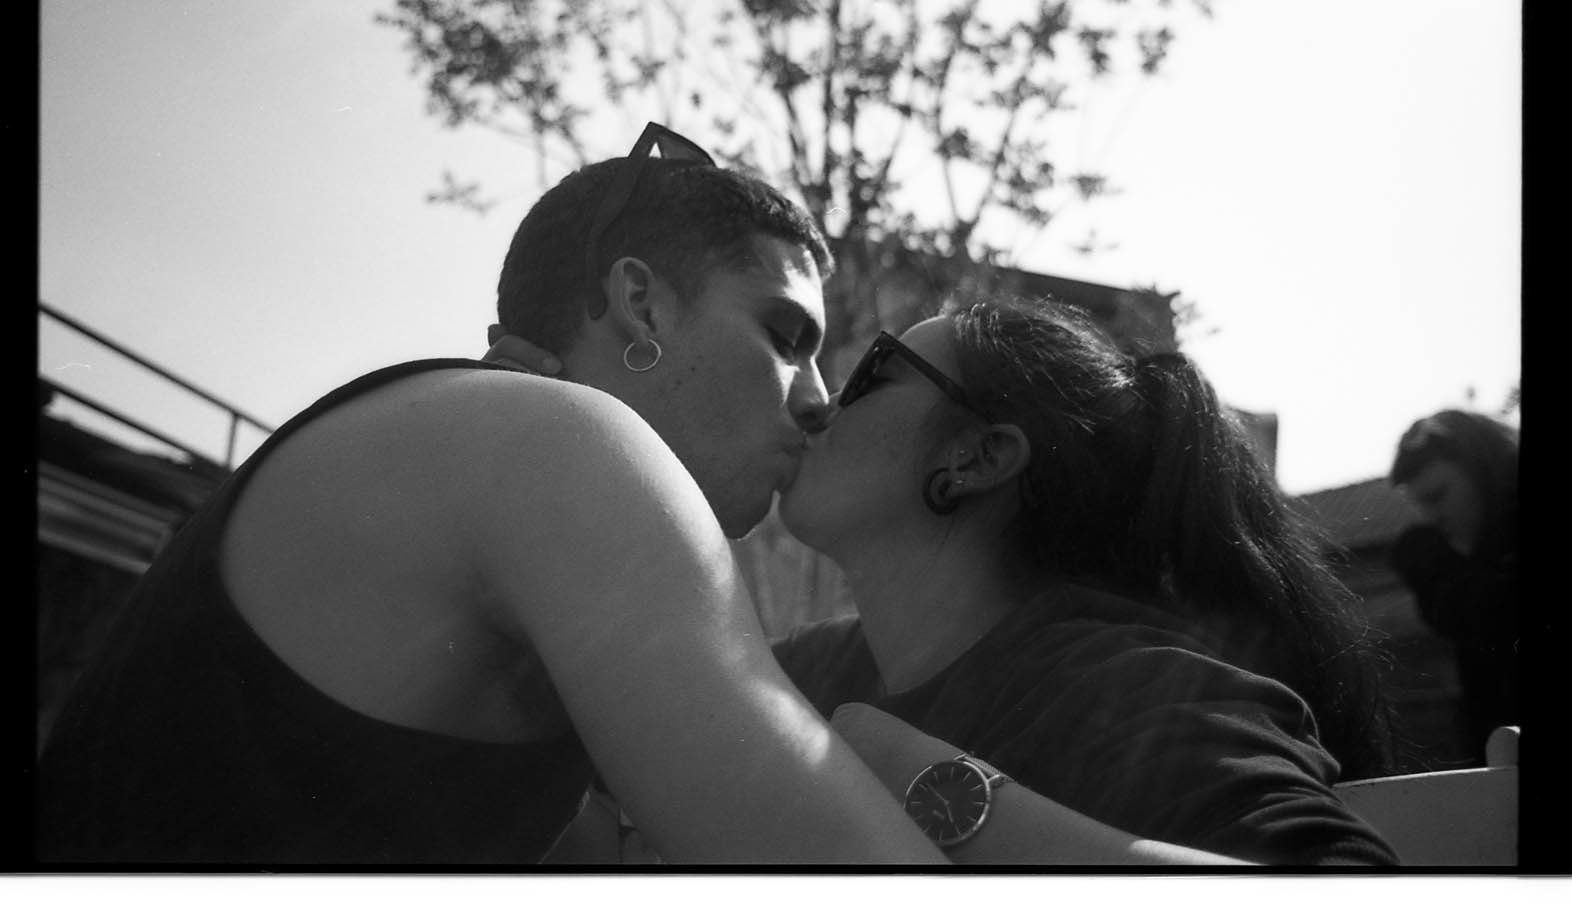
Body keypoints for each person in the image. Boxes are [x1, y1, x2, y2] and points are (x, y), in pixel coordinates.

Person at [33, 124, 1237, 868]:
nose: (819, 399)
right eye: (786, 336)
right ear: (640, 304)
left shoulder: (471, 489)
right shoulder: (560, 441)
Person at [491, 297, 1402, 866]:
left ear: (975, 457)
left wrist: (929, 786)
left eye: (871, 374)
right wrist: (534, 454)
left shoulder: (1140, 692)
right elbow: (599, 839)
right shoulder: (805, 674)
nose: (818, 402)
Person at [1388, 409, 1519, 764]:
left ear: (1482, 472)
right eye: (1420, 504)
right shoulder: (1443, 558)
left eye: (1438, 496)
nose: (1432, 517)